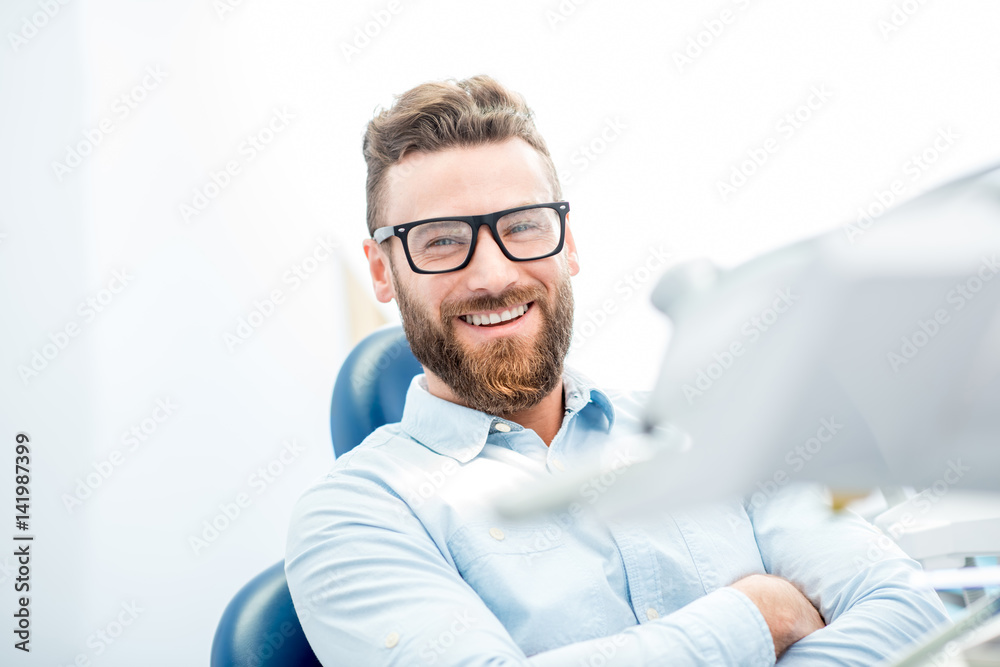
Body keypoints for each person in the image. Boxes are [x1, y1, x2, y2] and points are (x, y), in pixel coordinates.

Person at [284, 75, 949, 666]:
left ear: (568, 242)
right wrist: (760, 615)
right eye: (443, 241)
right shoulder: (354, 516)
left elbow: (910, 612)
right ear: (381, 270)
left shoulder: (709, 433)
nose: (493, 275)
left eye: (522, 226)